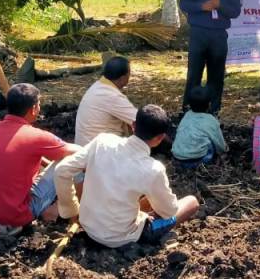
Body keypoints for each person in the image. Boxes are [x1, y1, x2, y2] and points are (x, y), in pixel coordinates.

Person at [54, 105, 200, 248]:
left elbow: (62, 170)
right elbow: (169, 212)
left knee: (143, 197)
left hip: (88, 226)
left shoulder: (102, 141)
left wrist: (71, 210)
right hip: (120, 238)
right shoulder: (153, 169)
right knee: (191, 202)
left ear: (133, 125)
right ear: (160, 138)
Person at [0, 83, 80, 237]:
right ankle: (67, 211)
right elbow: (79, 153)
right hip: (17, 215)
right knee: (76, 161)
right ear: (33, 109)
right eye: (39, 104)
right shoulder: (36, 136)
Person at [179, 0, 242, 114]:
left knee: (216, 75)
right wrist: (202, 6)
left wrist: (220, 5)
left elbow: (236, 11)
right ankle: (188, 109)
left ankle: (213, 110)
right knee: (194, 74)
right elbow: (184, 3)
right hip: (198, 33)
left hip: (218, 35)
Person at [74, 56, 137, 146]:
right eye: (129, 74)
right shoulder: (113, 96)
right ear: (123, 78)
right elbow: (141, 121)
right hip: (99, 154)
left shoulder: (97, 86)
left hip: (84, 148)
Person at [171, 86, 227, 168]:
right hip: (198, 161)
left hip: (177, 157)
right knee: (211, 141)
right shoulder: (211, 120)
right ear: (209, 104)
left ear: (189, 105)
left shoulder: (187, 115)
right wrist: (224, 151)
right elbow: (219, 143)